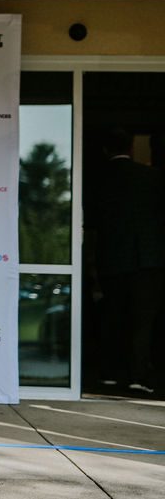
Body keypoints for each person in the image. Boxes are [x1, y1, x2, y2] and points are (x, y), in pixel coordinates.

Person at [92, 127, 165, 394]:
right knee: (143, 320)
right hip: (148, 260)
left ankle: (109, 372)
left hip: (113, 259)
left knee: (113, 316)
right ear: (132, 147)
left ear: (104, 150)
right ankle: (137, 374)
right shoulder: (152, 177)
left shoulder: (97, 179)